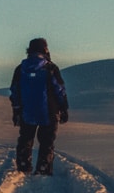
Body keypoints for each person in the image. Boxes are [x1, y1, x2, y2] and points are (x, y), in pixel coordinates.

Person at [9, 37, 69, 175]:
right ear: (45, 49)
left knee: (25, 138)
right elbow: (59, 89)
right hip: (49, 111)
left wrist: (16, 110)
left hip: (26, 111)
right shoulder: (51, 68)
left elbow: (14, 91)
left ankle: (23, 166)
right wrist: (64, 108)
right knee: (47, 141)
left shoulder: (20, 69)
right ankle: (43, 169)